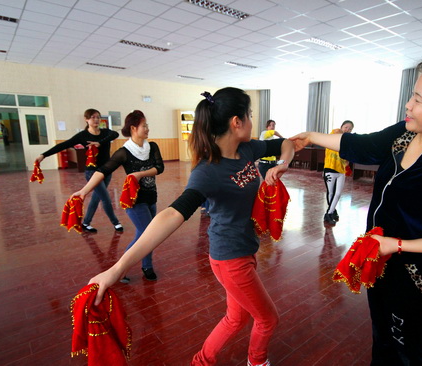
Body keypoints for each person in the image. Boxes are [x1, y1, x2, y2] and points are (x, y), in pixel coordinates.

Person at [291, 55, 422, 365]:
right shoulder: (406, 134)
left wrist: (399, 245)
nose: (409, 106)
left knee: (407, 350)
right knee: (383, 340)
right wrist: (309, 136)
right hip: (380, 261)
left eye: (418, 99)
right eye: (411, 96)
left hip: (415, 277)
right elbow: (362, 145)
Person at [87, 88, 295, 366]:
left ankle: (201, 362)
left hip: (245, 250)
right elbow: (172, 214)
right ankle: (257, 362)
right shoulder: (208, 171)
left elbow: (288, 144)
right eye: (250, 115)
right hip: (230, 258)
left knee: (236, 317)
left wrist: (281, 164)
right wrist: (117, 268)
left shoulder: (247, 149)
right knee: (268, 319)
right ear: (237, 121)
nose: (252, 120)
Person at [73, 110, 164, 282]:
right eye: (144, 126)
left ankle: (147, 266)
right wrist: (84, 191)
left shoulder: (152, 147)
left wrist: (139, 175)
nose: (147, 129)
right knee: (147, 235)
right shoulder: (124, 152)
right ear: (133, 128)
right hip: (134, 201)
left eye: (147, 125)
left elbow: (160, 167)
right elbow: (102, 171)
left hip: (151, 198)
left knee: (145, 235)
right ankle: (119, 269)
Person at [36, 108, 123, 233]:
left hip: (106, 170)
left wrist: (99, 142)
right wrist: (43, 155)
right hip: (92, 171)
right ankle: (116, 223)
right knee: (105, 198)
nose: (96, 119)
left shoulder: (105, 133)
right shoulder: (82, 136)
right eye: (93, 117)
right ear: (86, 119)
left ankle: (86, 223)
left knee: (96, 197)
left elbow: (115, 134)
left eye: (98, 117)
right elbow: (63, 145)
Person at [322, 120, 354, 225]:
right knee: (331, 192)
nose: (347, 130)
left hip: (341, 170)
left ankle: (331, 211)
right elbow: (337, 134)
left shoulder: (347, 142)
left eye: (350, 129)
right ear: (341, 127)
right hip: (330, 168)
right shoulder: (334, 133)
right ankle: (330, 213)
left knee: (338, 193)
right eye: (346, 127)